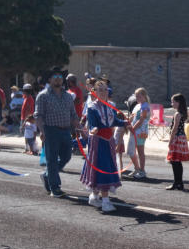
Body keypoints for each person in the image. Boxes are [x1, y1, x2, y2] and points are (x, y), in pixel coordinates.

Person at [80, 81, 128, 213]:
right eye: (100, 90)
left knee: (105, 167)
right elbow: (93, 124)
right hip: (98, 141)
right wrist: (93, 128)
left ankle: (94, 197)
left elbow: (113, 121)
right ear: (94, 92)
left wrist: (124, 122)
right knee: (102, 168)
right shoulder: (91, 107)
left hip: (108, 141)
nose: (103, 92)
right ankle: (105, 201)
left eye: (105, 90)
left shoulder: (111, 106)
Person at [36, 67, 80, 198]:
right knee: (52, 160)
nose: (58, 79)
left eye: (60, 77)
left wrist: (80, 128)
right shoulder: (43, 95)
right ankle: (55, 188)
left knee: (67, 156)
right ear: (49, 80)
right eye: (55, 76)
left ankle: (47, 175)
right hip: (50, 130)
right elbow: (38, 115)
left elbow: (73, 114)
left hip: (66, 130)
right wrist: (42, 131)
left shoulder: (67, 96)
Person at [166, 93, 189, 191]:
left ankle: (177, 182)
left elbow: (174, 129)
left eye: (173, 102)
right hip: (181, 138)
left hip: (176, 138)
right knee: (177, 162)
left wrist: (170, 140)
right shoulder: (182, 113)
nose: (172, 104)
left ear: (178, 102)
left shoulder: (177, 114)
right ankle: (179, 183)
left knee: (174, 161)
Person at [128, 87, 151, 180]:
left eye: (139, 96)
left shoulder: (145, 106)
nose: (137, 98)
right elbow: (133, 117)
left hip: (140, 132)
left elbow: (142, 119)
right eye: (136, 96)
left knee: (140, 152)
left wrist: (133, 128)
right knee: (134, 151)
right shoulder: (138, 105)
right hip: (136, 131)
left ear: (144, 96)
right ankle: (138, 169)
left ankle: (142, 171)